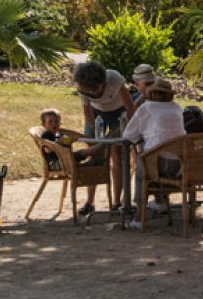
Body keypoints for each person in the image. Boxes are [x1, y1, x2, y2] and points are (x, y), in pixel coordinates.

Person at [121, 79, 188, 229]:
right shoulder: (177, 108)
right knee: (149, 156)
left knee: (141, 169)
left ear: (151, 94)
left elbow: (128, 136)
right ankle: (160, 202)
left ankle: (139, 216)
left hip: (158, 164)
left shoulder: (147, 107)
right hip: (179, 164)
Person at [74, 61, 138, 213]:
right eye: (89, 93)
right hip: (96, 116)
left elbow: (130, 108)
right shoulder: (82, 88)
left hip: (119, 113)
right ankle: (89, 202)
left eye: (95, 91)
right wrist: (98, 139)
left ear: (104, 83)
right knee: (95, 156)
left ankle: (116, 202)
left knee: (118, 156)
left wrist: (118, 131)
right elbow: (88, 113)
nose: (93, 95)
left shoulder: (114, 78)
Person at [35, 108, 107, 216]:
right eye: (51, 122)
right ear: (44, 124)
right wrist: (58, 143)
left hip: (68, 160)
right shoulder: (47, 135)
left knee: (82, 155)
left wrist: (70, 140)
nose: (54, 124)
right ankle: (102, 146)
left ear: (60, 122)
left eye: (56, 121)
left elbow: (67, 144)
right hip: (57, 164)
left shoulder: (58, 134)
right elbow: (47, 149)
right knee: (83, 152)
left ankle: (94, 154)